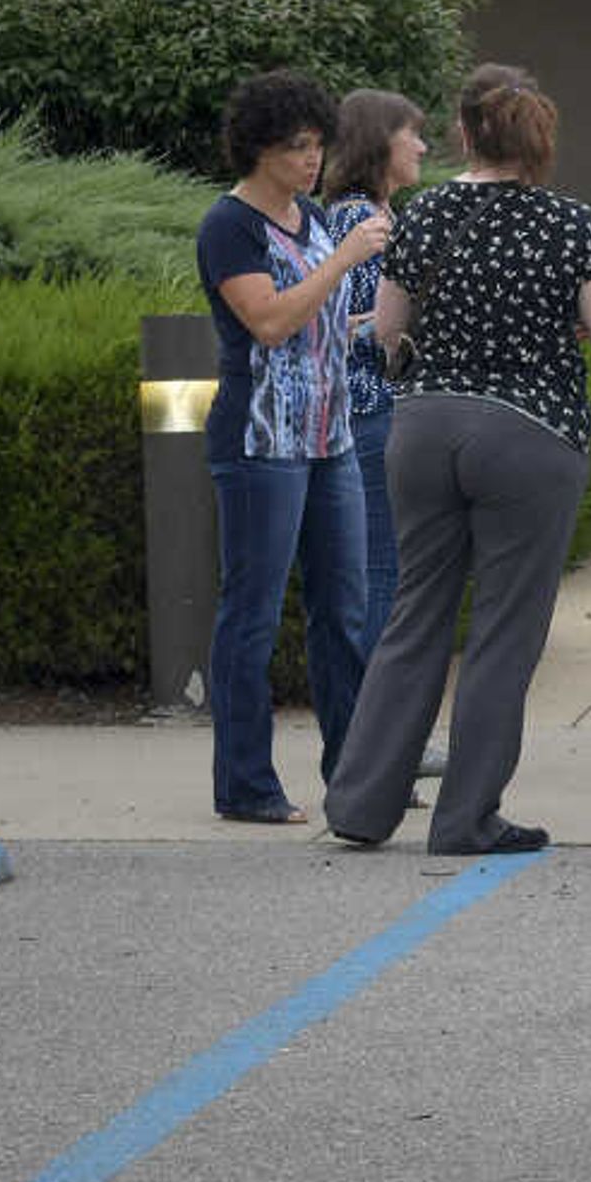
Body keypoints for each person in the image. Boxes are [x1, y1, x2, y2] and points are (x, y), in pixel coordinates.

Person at [326, 69, 591, 854]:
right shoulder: (573, 224)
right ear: (541, 139)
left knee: (415, 614)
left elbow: (389, 333)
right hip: (531, 434)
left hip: (424, 427)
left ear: (465, 134)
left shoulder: (421, 212)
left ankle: (360, 804)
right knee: (503, 629)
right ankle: (464, 818)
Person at [195, 69, 392, 826]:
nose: (311, 160)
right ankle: (245, 784)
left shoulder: (309, 216)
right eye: (294, 147)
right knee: (252, 611)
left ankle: (354, 774)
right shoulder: (230, 226)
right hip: (260, 444)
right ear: (257, 149)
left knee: (342, 610)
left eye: (317, 145)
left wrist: (374, 324)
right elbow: (270, 323)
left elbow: (314, 326)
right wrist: (343, 259)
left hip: (329, 437)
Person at [313, 86, 427, 677]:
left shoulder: (375, 216)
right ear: (383, 143)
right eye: (413, 135)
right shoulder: (361, 221)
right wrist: (413, 324)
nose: (423, 146)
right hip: (368, 411)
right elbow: (340, 324)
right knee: (382, 571)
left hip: (376, 410)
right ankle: (378, 727)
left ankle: (376, 724)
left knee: (384, 570)